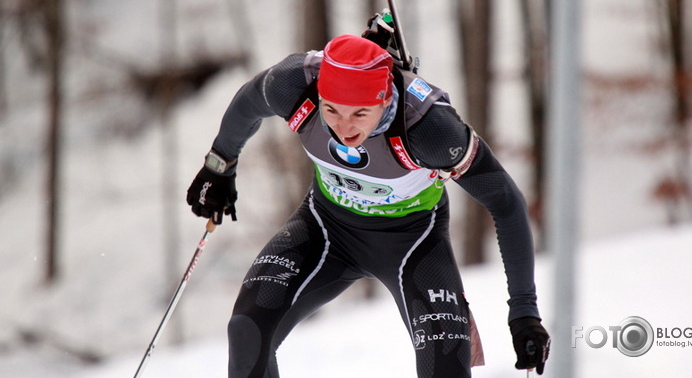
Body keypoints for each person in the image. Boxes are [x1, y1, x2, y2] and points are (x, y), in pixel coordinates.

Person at [186, 28, 550, 377]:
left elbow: (506, 203)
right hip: (325, 230)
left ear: (384, 99)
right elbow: (250, 100)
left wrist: (524, 311)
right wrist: (219, 166)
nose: (344, 129)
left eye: (359, 113)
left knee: (447, 366)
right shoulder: (293, 84)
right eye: (332, 111)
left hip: (414, 245)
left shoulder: (430, 130)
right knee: (248, 329)